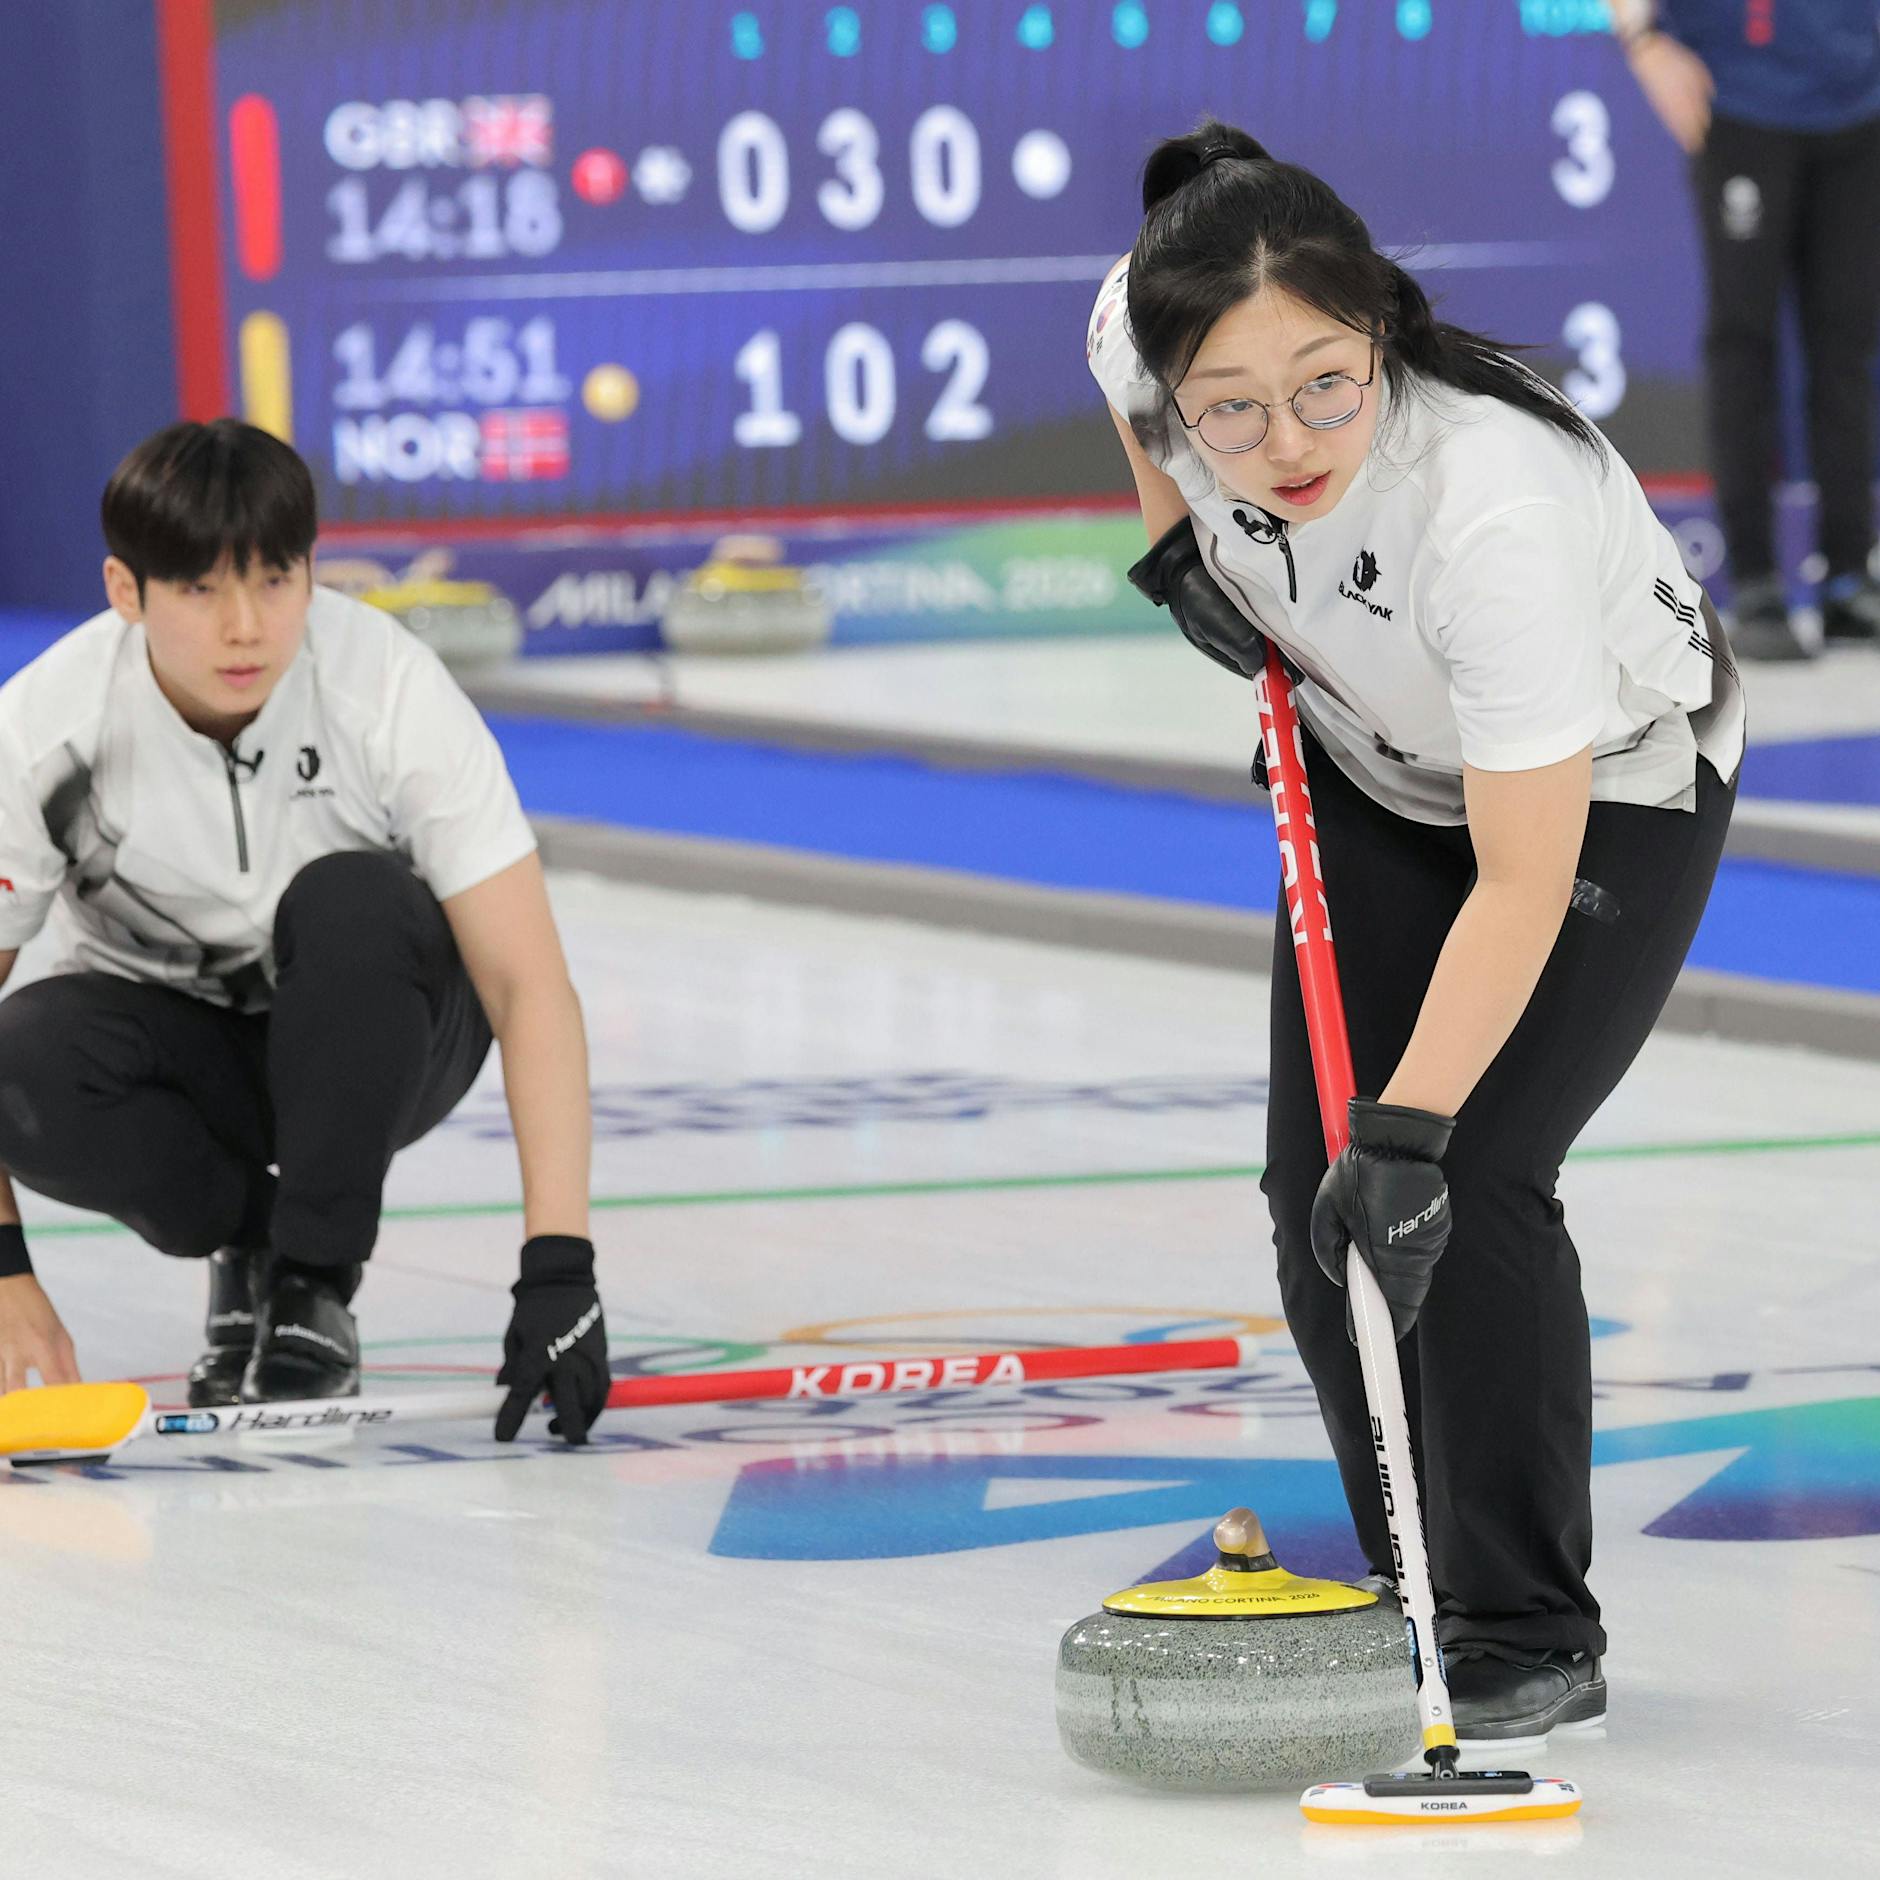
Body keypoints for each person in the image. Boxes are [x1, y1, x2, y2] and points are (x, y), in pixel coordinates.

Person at [1091, 121, 1744, 1741]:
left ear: (1378, 324)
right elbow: (1130, 393)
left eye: (1327, 383)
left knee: (1469, 1170)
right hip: (1375, 757)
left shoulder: (1492, 514)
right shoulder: (1138, 331)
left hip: (1608, 790)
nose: (1287, 437)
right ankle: (1418, 1572)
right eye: (1227, 412)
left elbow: (1524, 881)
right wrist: (1184, 539)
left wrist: (1408, 1125)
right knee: (1317, 1194)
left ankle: (1525, 1622)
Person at [0, 419, 608, 1445]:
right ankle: (253, 1245)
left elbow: (528, 983)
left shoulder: (388, 684)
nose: (246, 627)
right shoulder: (43, 731)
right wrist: (6, 1272)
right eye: (199, 589)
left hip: (388, 1035)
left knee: (355, 897)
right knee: (19, 1059)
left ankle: (317, 1278)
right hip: (193, 1067)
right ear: (125, 591)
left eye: (276, 581)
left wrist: (562, 1263)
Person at [1618, 0, 1880, 660]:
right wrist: (1644, 39)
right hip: (1741, 99)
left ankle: (1849, 576)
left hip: (1858, 102)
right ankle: (1757, 583)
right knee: (1745, 342)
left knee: (1847, 342)